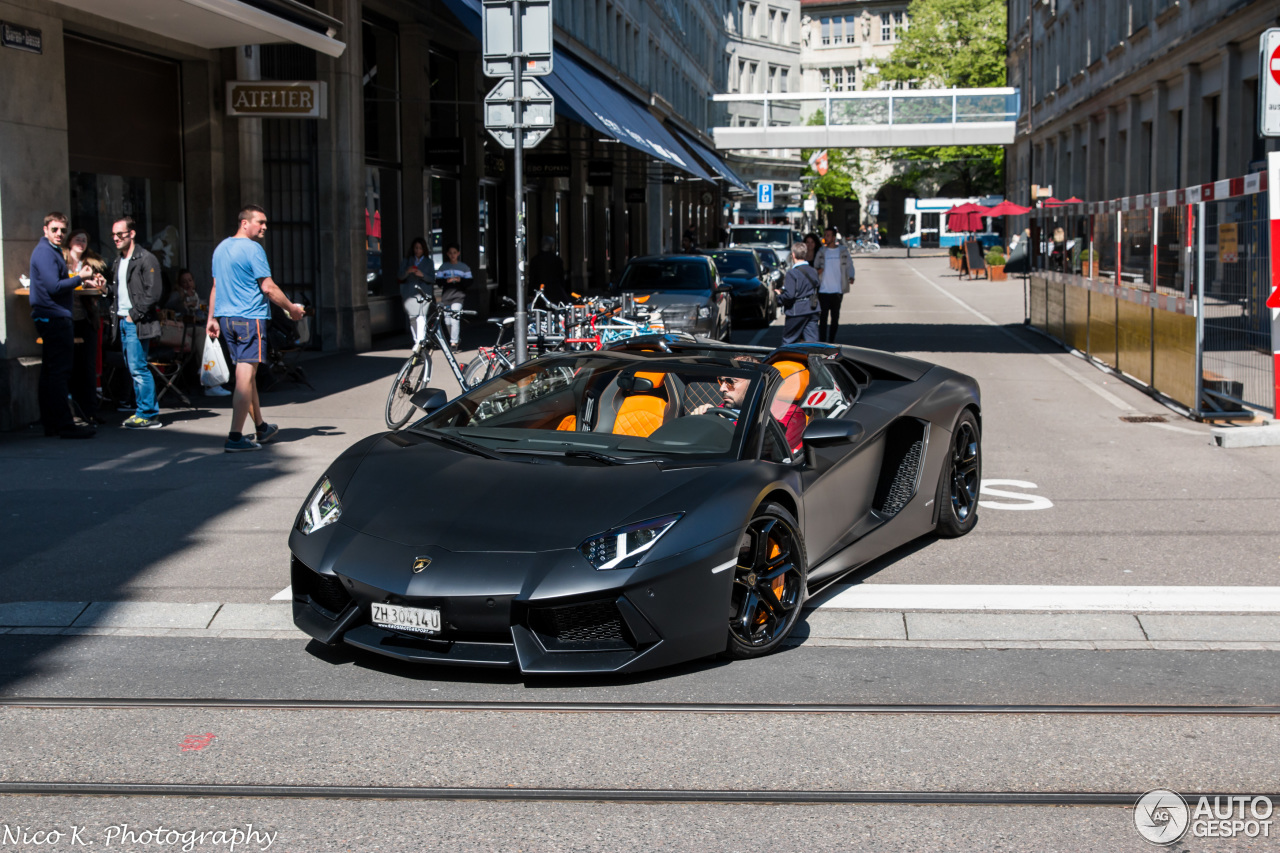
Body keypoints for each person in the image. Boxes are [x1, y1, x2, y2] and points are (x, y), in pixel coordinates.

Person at [206, 204, 305, 452]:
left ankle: (260, 426)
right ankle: (235, 437)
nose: (264, 227)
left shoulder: (220, 249)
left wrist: (212, 318)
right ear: (244, 223)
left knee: (246, 377)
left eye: (265, 223)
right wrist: (291, 308)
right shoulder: (253, 249)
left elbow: (216, 288)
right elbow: (268, 287)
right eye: (260, 222)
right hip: (249, 320)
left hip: (227, 319)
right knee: (244, 379)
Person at [29, 212, 102, 438]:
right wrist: (79, 277)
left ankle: (52, 424)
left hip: (53, 316)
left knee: (51, 373)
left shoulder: (50, 251)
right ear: (45, 230)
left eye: (62, 229)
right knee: (59, 373)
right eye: (54, 229)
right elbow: (54, 286)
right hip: (54, 317)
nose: (59, 234)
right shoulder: (44, 252)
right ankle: (63, 424)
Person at [107, 216, 165, 429]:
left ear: (131, 234)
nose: (115, 238)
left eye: (120, 234)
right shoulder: (119, 260)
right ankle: (143, 411)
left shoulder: (145, 258)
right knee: (134, 368)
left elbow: (154, 292)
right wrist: (105, 288)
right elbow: (120, 291)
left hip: (135, 321)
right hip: (123, 320)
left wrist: (134, 314)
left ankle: (148, 414)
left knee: (139, 368)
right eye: (113, 235)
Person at [64, 229, 107, 425]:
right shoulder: (60, 262)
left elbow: (101, 290)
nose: (81, 242)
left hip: (87, 318)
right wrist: (78, 279)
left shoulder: (91, 264)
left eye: (84, 240)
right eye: (77, 239)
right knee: (70, 365)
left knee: (88, 366)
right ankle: (73, 411)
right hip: (66, 318)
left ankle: (90, 410)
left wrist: (98, 284)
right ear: (70, 241)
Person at [812, 226, 854, 343]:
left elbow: (849, 265)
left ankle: (831, 341)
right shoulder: (821, 252)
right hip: (823, 290)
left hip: (838, 290)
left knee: (835, 318)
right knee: (823, 318)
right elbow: (815, 267)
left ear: (834, 237)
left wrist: (851, 276)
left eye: (828, 235)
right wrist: (817, 271)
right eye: (825, 235)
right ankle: (823, 341)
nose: (826, 237)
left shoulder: (843, 251)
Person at [777, 241, 819, 345]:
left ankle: (786, 360)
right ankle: (814, 360)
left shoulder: (792, 273)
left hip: (797, 311)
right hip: (812, 309)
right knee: (812, 343)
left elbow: (790, 295)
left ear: (793, 255)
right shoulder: (813, 271)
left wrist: (779, 297)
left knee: (788, 341)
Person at [434, 243, 472, 348]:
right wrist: (447, 281)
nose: (452, 255)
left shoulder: (464, 267)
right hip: (446, 297)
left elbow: (469, 282)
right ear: (447, 254)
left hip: (458, 296)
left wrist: (460, 280)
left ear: (458, 253)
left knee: (455, 318)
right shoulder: (443, 267)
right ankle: (454, 338)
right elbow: (438, 281)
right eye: (450, 253)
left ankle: (454, 342)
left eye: (454, 253)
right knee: (447, 320)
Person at [398, 237, 434, 346]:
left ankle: (420, 341)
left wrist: (422, 275)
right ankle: (416, 340)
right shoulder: (407, 261)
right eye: (416, 248)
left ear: (424, 250)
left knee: (422, 317)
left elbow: (432, 279)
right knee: (412, 317)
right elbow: (400, 276)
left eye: (420, 248)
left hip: (424, 292)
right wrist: (407, 271)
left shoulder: (429, 262)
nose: (417, 250)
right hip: (410, 293)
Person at [527, 236, 568, 304]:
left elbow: (532, 277)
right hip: (555, 291)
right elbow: (561, 277)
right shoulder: (557, 260)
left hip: (540, 290)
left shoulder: (535, 260)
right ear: (552, 246)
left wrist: (530, 293)